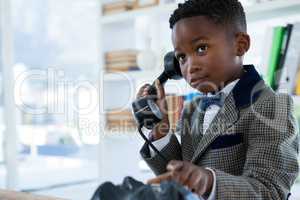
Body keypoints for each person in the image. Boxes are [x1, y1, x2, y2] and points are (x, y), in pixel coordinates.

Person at [136, 0, 299, 199]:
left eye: (201, 48)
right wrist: (160, 128)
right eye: (182, 57)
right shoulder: (191, 109)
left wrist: (208, 182)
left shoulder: (272, 107)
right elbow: (178, 178)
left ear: (240, 45)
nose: (190, 66)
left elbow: (270, 190)